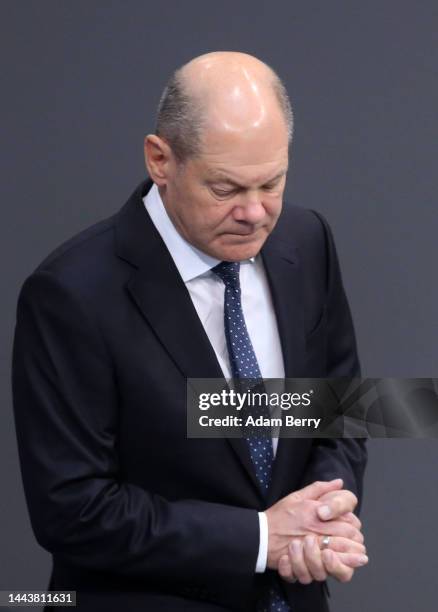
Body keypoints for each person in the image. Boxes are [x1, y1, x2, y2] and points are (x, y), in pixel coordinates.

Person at [12, 52, 367, 612]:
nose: (255, 214)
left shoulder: (307, 239)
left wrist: (322, 514)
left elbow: (337, 408)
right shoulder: (70, 295)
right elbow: (72, 507)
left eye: (272, 183)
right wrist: (260, 539)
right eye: (226, 190)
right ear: (160, 160)